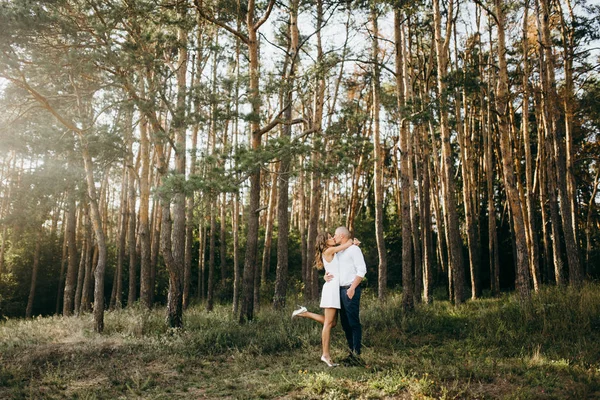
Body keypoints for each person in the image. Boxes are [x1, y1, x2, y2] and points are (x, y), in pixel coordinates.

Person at [292, 232, 360, 367]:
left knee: (332, 323)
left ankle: (305, 313)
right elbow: (346, 244)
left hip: (334, 289)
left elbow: (341, 258)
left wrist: (352, 245)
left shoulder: (332, 252)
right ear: (324, 242)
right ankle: (325, 355)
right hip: (331, 290)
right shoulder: (329, 250)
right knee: (328, 324)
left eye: (332, 236)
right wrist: (352, 242)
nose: (332, 238)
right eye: (329, 237)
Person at [327, 226, 366, 365]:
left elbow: (362, 270)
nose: (334, 237)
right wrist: (326, 276)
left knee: (353, 322)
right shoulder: (340, 252)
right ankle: (351, 353)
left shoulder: (354, 250)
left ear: (342, 236)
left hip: (350, 289)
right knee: (344, 323)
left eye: (335, 235)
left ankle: (356, 355)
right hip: (339, 291)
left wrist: (352, 288)